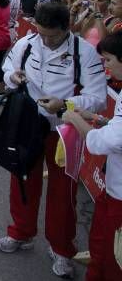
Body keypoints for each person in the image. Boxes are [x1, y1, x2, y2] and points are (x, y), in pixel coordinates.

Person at [0, 3, 107, 279]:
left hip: (64, 130)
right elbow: (7, 67)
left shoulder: (85, 52)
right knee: (22, 180)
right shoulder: (27, 43)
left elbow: (98, 97)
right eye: (40, 33)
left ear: (66, 29)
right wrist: (13, 76)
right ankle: (21, 233)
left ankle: (61, 249)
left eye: (52, 36)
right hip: (27, 125)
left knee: (63, 192)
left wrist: (65, 103)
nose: (45, 40)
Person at [61, 32, 122, 280]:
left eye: (108, 60)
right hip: (113, 189)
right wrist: (97, 118)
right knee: (100, 245)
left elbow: (104, 142)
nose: (105, 66)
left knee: (112, 257)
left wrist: (75, 119)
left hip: (119, 193)